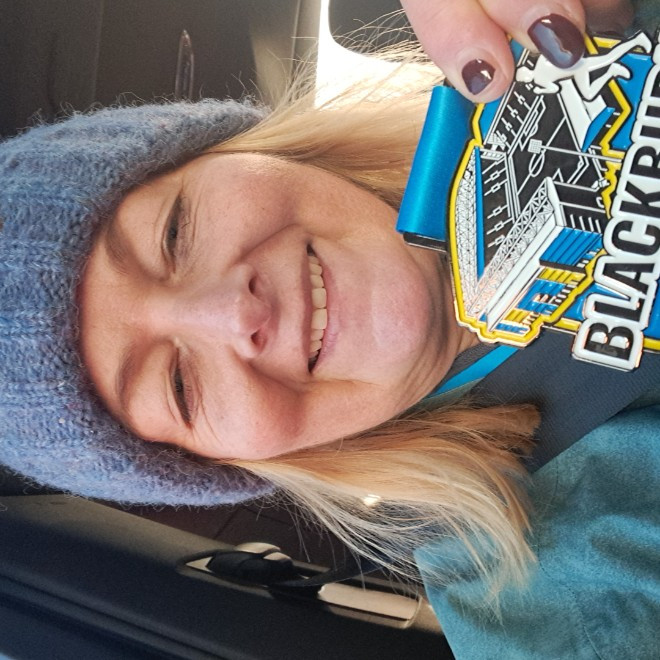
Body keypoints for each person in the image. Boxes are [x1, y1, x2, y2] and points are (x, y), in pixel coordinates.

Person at [0, 1, 657, 658]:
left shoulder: (585, 31)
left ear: (231, 152)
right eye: (177, 386)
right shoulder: (554, 610)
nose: (233, 314)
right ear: (230, 461)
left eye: (173, 234)